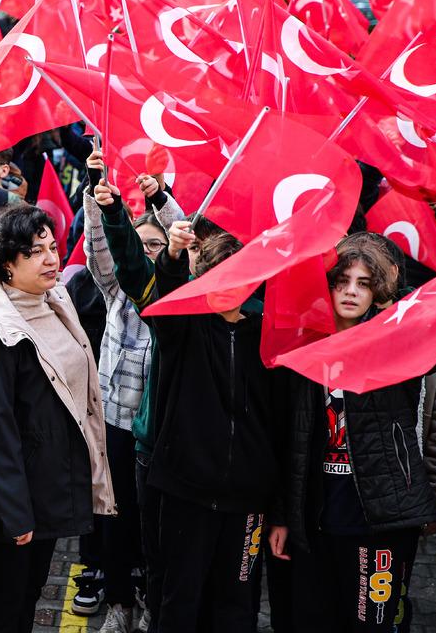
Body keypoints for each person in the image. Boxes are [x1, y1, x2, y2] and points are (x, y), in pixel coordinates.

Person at [0, 204, 116, 633]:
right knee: (3, 607)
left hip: (48, 485)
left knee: (28, 596)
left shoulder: (55, 300)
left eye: (53, 247)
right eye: (36, 251)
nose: (51, 259)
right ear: (7, 263)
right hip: (12, 501)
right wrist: (15, 513)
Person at [273, 235, 436, 633]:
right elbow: (290, 443)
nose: (352, 292)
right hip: (317, 519)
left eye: (365, 282)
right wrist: (283, 516)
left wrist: (400, 291)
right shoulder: (303, 346)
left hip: (381, 519)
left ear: (378, 291)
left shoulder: (394, 340)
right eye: (343, 280)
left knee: (374, 625)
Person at [146, 222, 285, 632]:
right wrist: (171, 255)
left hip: (248, 502)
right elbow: (165, 294)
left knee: (238, 605)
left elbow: (278, 424)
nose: (227, 285)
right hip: (185, 493)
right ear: (199, 278)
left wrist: (275, 502)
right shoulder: (182, 327)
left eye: (237, 274)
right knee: (178, 602)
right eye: (216, 275)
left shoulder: (265, 338)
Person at [74, 154, 184, 633]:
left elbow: (187, 232)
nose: (143, 253)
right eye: (137, 246)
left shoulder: (183, 297)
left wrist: (160, 200)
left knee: (156, 525)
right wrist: (98, 191)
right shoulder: (117, 291)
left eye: (155, 245)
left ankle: (153, 600)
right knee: (116, 519)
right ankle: (119, 602)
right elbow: (102, 246)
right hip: (117, 422)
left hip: (163, 426)